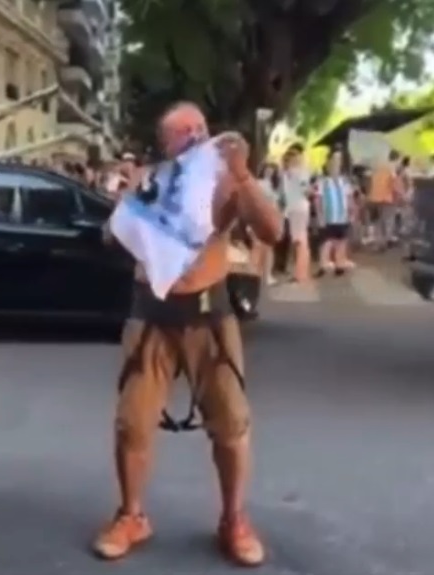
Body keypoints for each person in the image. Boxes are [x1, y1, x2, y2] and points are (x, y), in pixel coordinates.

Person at [94, 103, 283, 567]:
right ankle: (131, 515)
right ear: (167, 143)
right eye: (183, 132)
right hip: (151, 317)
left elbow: (272, 231)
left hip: (209, 319)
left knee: (232, 425)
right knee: (132, 424)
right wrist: (128, 200)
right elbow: (108, 237)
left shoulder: (225, 179)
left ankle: (233, 520)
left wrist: (243, 178)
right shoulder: (150, 180)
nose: (196, 136)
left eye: (200, 127)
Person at [314, 149, 356, 276]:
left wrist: (351, 213)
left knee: (341, 241)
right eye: (333, 164)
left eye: (338, 164)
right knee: (326, 242)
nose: (335, 167)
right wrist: (320, 216)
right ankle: (323, 265)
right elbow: (318, 200)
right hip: (328, 217)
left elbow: (349, 198)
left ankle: (339, 264)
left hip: (342, 216)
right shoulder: (322, 182)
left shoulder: (344, 182)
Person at [280, 144, 313, 283]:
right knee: (300, 239)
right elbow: (306, 190)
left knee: (299, 240)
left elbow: (305, 190)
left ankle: (300, 273)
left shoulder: (293, 173)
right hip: (297, 208)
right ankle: (301, 271)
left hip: (297, 208)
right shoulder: (295, 173)